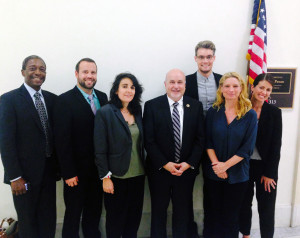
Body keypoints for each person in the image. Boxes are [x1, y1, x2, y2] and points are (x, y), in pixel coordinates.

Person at [0, 55, 58, 238]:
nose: (38, 72)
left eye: (42, 69)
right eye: (33, 68)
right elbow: (6, 140)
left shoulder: (52, 100)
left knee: (48, 222)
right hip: (23, 178)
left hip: (48, 174)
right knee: (28, 225)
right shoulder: (9, 100)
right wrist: (15, 176)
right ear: (23, 72)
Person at [143, 69, 205, 238]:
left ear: (185, 85)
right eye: (172, 82)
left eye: (179, 82)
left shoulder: (195, 106)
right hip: (160, 170)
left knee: (182, 212)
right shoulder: (151, 106)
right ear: (165, 84)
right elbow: (149, 140)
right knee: (158, 211)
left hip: (185, 171)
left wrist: (189, 163)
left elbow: (200, 140)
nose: (175, 86)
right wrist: (165, 164)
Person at [53, 58, 108, 238]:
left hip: (98, 171)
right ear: (76, 74)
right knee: (73, 215)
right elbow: (62, 141)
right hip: (75, 173)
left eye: (93, 72)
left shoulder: (102, 97)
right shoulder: (64, 101)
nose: (89, 76)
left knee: (94, 213)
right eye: (85, 72)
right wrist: (68, 172)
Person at [204, 72, 257, 238]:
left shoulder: (250, 114)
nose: (231, 89)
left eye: (235, 86)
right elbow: (208, 141)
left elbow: (247, 148)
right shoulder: (213, 111)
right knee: (212, 215)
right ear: (221, 89)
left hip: (237, 175)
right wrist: (217, 166)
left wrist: (225, 166)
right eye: (227, 86)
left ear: (241, 88)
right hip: (213, 173)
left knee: (230, 218)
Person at [94, 73, 145, 238]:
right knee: (115, 221)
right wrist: (105, 177)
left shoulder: (137, 111)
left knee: (133, 219)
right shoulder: (106, 112)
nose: (129, 90)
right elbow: (100, 148)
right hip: (116, 177)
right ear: (116, 90)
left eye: (132, 87)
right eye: (124, 86)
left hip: (138, 175)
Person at [185, 40, 222, 237]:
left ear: (214, 58)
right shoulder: (186, 81)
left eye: (209, 57)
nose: (205, 61)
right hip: (191, 143)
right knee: (186, 188)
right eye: (201, 57)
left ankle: (210, 231)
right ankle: (190, 231)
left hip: (216, 145)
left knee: (212, 189)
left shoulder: (224, 81)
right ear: (195, 58)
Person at [239, 73, 282, 238]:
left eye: (268, 90)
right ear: (253, 87)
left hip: (266, 169)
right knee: (244, 204)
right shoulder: (242, 108)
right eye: (261, 87)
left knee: (266, 207)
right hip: (244, 165)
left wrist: (270, 174)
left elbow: (275, 146)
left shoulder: (274, 112)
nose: (264, 92)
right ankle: (246, 235)